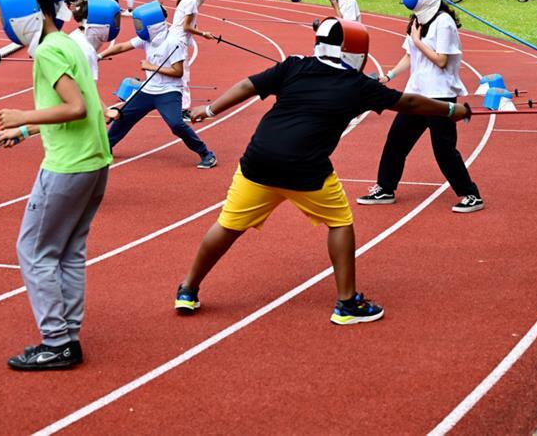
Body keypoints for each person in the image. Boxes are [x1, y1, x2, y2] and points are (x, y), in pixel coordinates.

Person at [174, 17, 471, 324]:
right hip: (306, 169)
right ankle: (347, 303)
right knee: (340, 222)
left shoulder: (293, 65)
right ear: (355, 52)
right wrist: (452, 109)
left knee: (227, 225)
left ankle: (187, 289)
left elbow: (248, 85)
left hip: (258, 160)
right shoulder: (359, 86)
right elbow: (409, 103)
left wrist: (209, 110)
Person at [0, 0, 112, 369]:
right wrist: (26, 131)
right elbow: (81, 104)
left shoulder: (47, 51)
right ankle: (68, 336)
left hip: (67, 165)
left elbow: (75, 107)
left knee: (34, 251)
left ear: (22, 16)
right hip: (94, 161)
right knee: (70, 251)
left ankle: (57, 341)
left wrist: (22, 116)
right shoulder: (67, 42)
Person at [357, 0, 483, 213]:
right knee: (396, 141)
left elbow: (442, 61)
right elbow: (409, 56)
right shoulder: (417, 19)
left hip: (439, 96)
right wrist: (388, 76)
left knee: (444, 151)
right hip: (416, 94)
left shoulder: (444, 22)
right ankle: (385, 188)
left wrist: (418, 41)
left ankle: (471, 195)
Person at [100, 0, 217, 169]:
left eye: (140, 23)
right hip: (148, 90)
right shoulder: (147, 38)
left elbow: (178, 72)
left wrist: (150, 67)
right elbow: (122, 47)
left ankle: (206, 154)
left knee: (176, 125)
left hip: (169, 91)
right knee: (123, 117)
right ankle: (106, 147)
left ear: (152, 25)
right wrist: (100, 56)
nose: (137, 27)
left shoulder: (173, 42)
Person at [170, 0, 215, 117]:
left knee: (173, 75)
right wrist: (203, 34)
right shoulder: (190, 2)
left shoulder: (188, 0)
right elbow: (186, 27)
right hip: (178, 43)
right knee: (182, 76)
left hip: (175, 41)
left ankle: (173, 105)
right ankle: (183, 110)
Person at [69, 0, 120, 81]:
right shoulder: (87, 51)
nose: (116, 24)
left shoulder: (75, 37)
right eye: (115, 20)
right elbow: (86, 88)